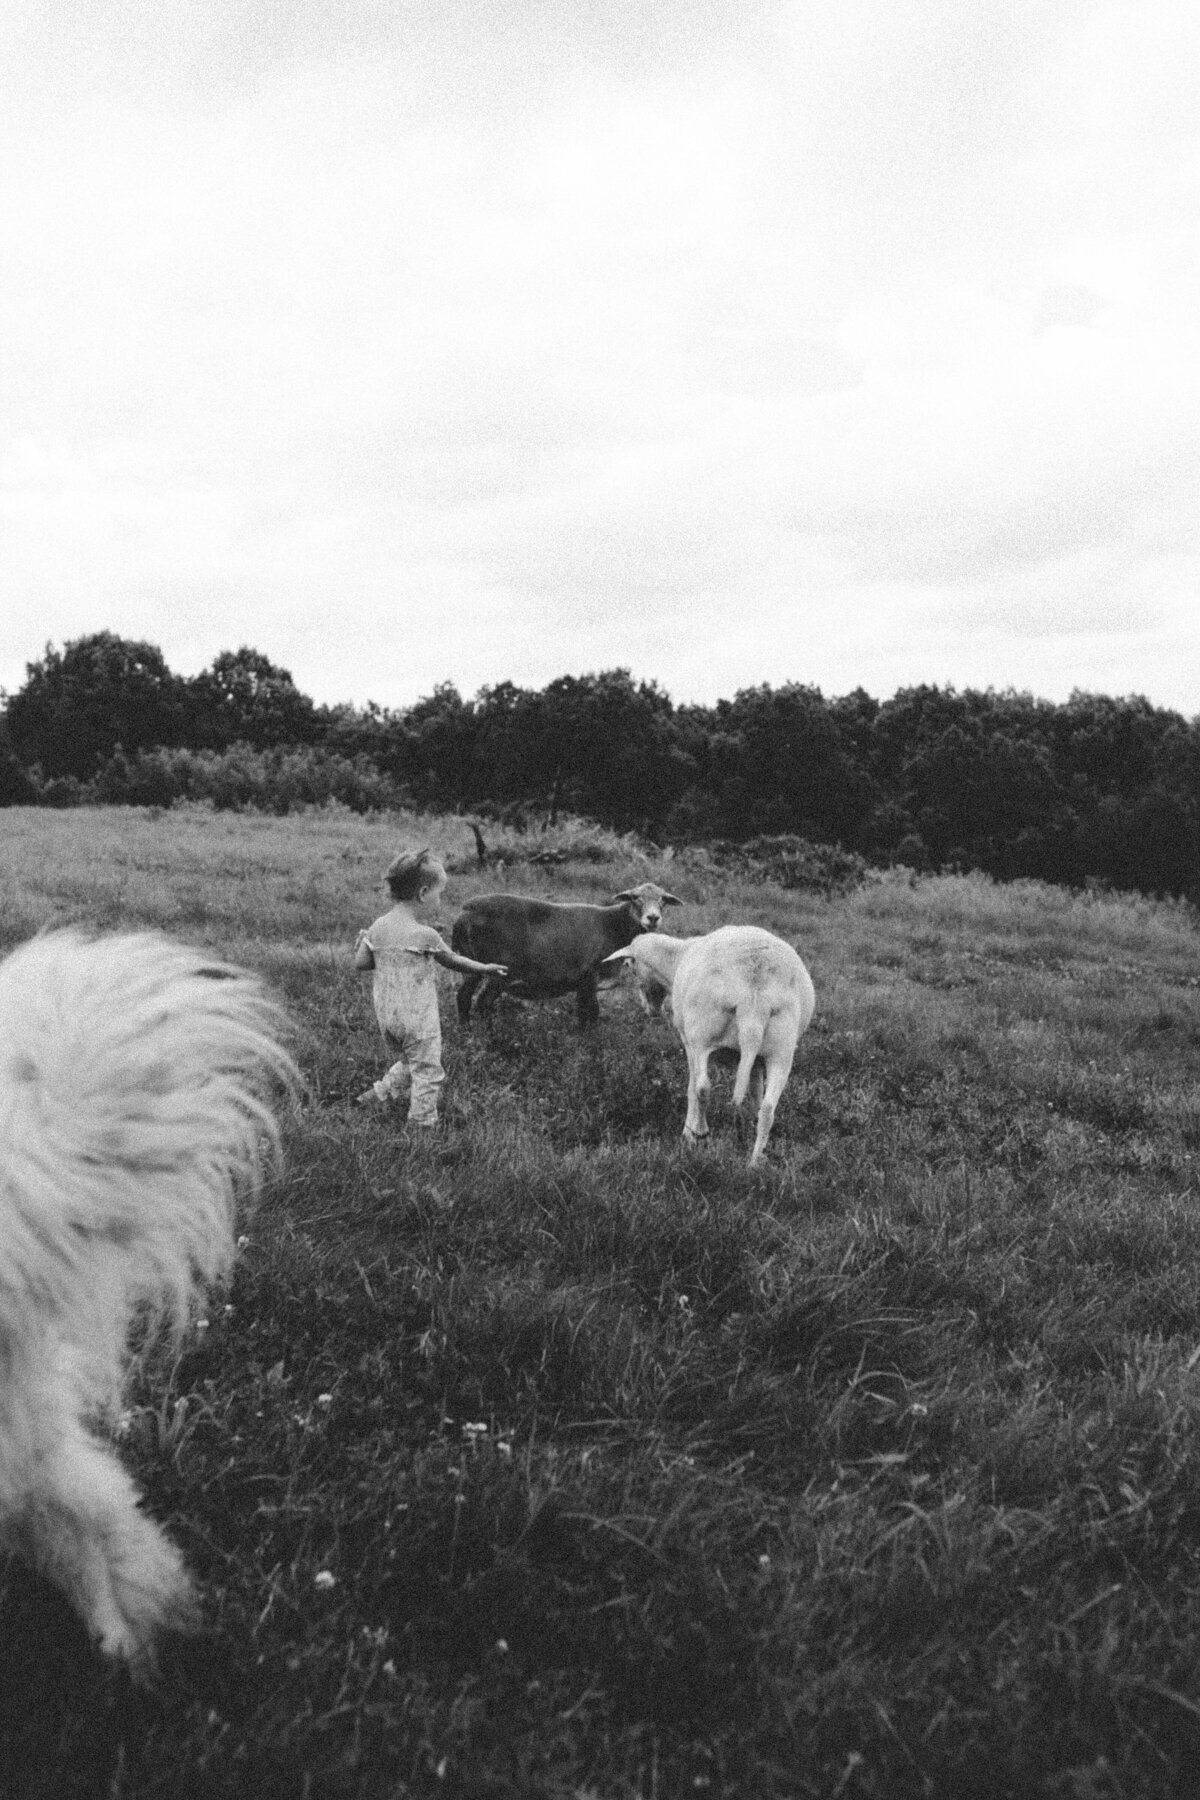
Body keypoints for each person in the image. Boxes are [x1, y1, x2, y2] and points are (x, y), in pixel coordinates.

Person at [353, 848, 506, 1127]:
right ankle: (422, 1123)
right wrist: (483, 968)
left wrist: (365, 939)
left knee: (412, 1062)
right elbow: (453, 961)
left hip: (387, 1017)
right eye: (439, 893)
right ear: (423, 893)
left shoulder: (378, 926)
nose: (440, 899)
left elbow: (362, 963)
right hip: (418, 1020)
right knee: (428, 1070)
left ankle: (378, 1094)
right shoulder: (425, 935)